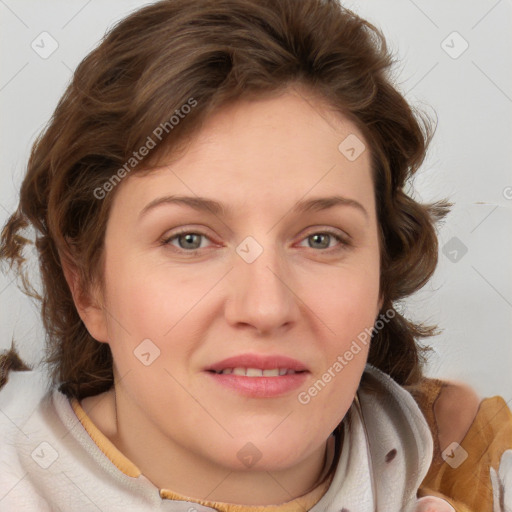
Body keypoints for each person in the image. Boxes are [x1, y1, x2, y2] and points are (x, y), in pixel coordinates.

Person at [0, 0, 511, 510]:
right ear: (87, 284)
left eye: (320, 239)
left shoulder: (469, 463)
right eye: (189, 239)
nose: (265, 308)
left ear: (381, 276)